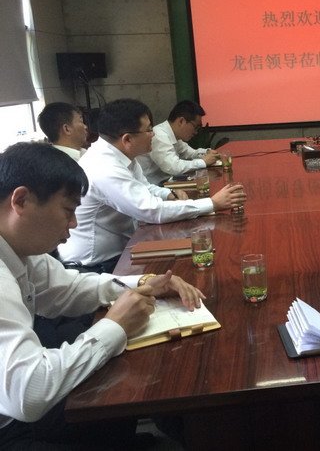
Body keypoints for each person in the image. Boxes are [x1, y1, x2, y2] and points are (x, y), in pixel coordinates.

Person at [0, 142, 204, 449]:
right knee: (114, 372)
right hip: (11, 424)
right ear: (21, 200)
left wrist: (144, 283)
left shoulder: (19, 247)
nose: (74, 224)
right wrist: (114, 325)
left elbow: (66, 289)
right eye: (68, 210)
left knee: (118, 382)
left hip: (15, 408)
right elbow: (28, 393)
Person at [58, 98, 246, 271]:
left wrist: (169, 194)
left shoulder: (120, 153)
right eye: (148, 130)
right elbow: (151, 211)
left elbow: (145, 187)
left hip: (123, 250)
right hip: (96, 266)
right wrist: (213, 203)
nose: (153, 134)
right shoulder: (104, 167)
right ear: (127, 139)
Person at [137, 100, 220, 185]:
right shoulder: (159, 135)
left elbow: (190, 153)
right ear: (181, 121)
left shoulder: (174, 135)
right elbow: (173, 167)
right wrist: (203, 162)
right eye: (195, 127)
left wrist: (207, 152)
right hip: (153, 186)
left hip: (167, 182)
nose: (196, 132)